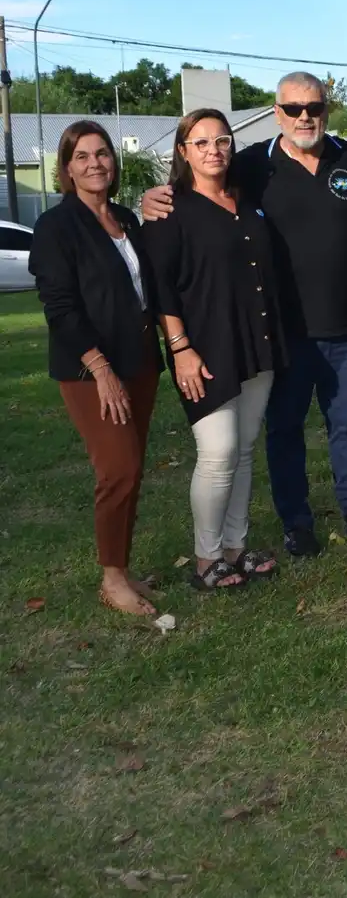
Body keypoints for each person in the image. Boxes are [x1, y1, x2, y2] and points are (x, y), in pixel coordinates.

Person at [142, 72, 347, 558]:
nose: (305, 117)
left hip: (343, 325)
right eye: (294, 108)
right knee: (284, 430)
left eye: (314, 108)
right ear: (277, 112)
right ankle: (296, 523)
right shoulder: (254, 165)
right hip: (282, 332)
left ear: (327, 110)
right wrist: (151, 197)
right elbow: (199, 191)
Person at [141, 110, 285, 590]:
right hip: (204, 348)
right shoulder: (168, 211)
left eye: (221, 141)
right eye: (200, 143)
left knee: (243, 450)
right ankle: (206, 559)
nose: (213, 150)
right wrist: (180, 347)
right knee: (218, 452)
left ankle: (235, 549)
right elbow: (161, 289)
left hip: (256, 341)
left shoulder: (245, 202)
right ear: (183, 151)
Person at [29, 121, 166, 615]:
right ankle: (111, 580)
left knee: (133, 470)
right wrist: (100, 367)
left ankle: (124, 568)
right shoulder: (55, 226)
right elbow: (59, 305)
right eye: (82, 156)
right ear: (67, 167)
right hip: (91, 370)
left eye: (102, 153)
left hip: (140, 363)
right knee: (118, 470)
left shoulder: (125, 219)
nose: (95, 164)